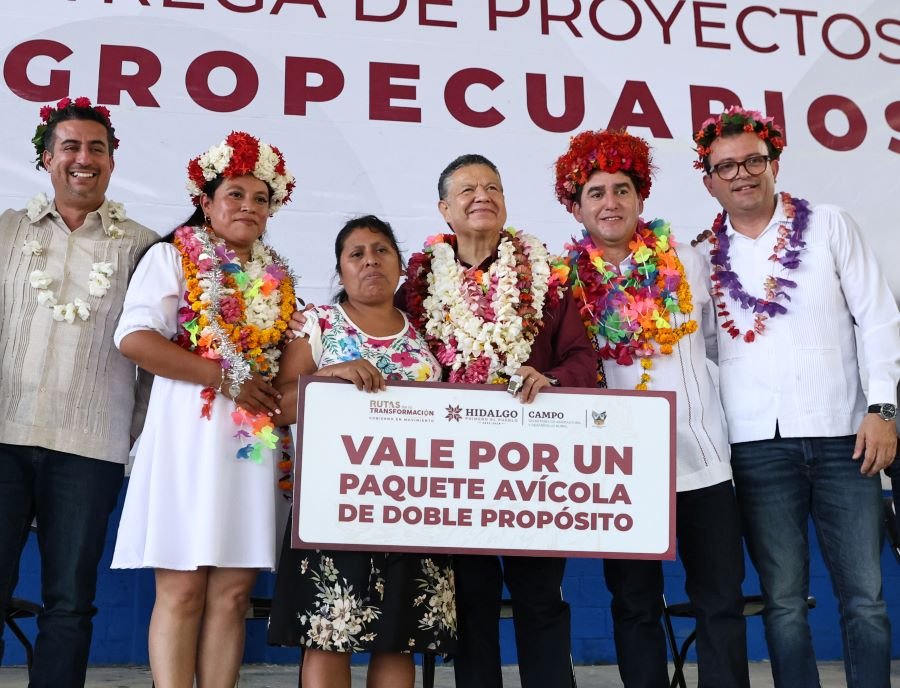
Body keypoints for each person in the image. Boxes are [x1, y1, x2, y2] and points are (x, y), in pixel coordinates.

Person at [691, 106, 899, 688]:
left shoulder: (829, 225)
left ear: (774, 165)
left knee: (865, 597)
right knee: (782, 602)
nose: (741, 174)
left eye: (752, 161)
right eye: (725, 166)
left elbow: (878, 319)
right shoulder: (701, 256)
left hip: (846, 437)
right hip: (755, 445)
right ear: (709, 181)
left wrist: (883, 409)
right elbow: (702, 350)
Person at [552, 129, 750, 688]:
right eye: (595, 193)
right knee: (634, 604)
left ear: (641, 197)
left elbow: (718, 346)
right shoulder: (565, 283)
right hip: (622, 470)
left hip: (703, 461)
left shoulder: (688, 261)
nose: (610, 202)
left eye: (622, 189)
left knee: (721, 599)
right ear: (575, 206)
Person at [401, 154, 597, 688]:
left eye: (492, 186)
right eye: (467, 190)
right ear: (445, 209)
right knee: (471, 603)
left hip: (532, 469)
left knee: (541, 599)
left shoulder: (546, 276)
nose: (482, 195)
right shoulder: (417, 284)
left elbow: (583, 359)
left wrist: (550, 378)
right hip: (455, 471)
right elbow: (393, 351)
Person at [110, 131, 297, 687]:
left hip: (250, 447)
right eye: (234, 194)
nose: (248, 206)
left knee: (234, 593)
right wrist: (223, 376)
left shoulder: (277, 276)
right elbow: (134, 338)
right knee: (183, 588)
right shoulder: (172, 256)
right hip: (184, 443)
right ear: (206, 202)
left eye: (260, 198)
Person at [0, 97, 159, 688]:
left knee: (69, 602)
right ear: (46, 159)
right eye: (70, 146)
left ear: (113, 162)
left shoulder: (143, 247)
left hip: (90, 448)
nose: (83, 158)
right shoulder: (7, 231)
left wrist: (130, 433)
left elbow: (154, 352)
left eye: (97, 148)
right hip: (3, 437)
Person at [267, 215, 455, 688]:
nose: (370, 260)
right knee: (330, 633)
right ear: (341, 270)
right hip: (335, 506)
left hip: (412, 510)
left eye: (381, 250)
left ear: (400, 266)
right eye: (357, 254)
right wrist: (330, 375)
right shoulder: (318, 325)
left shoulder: (426, 334)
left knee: (398, 638)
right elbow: (278, 407)